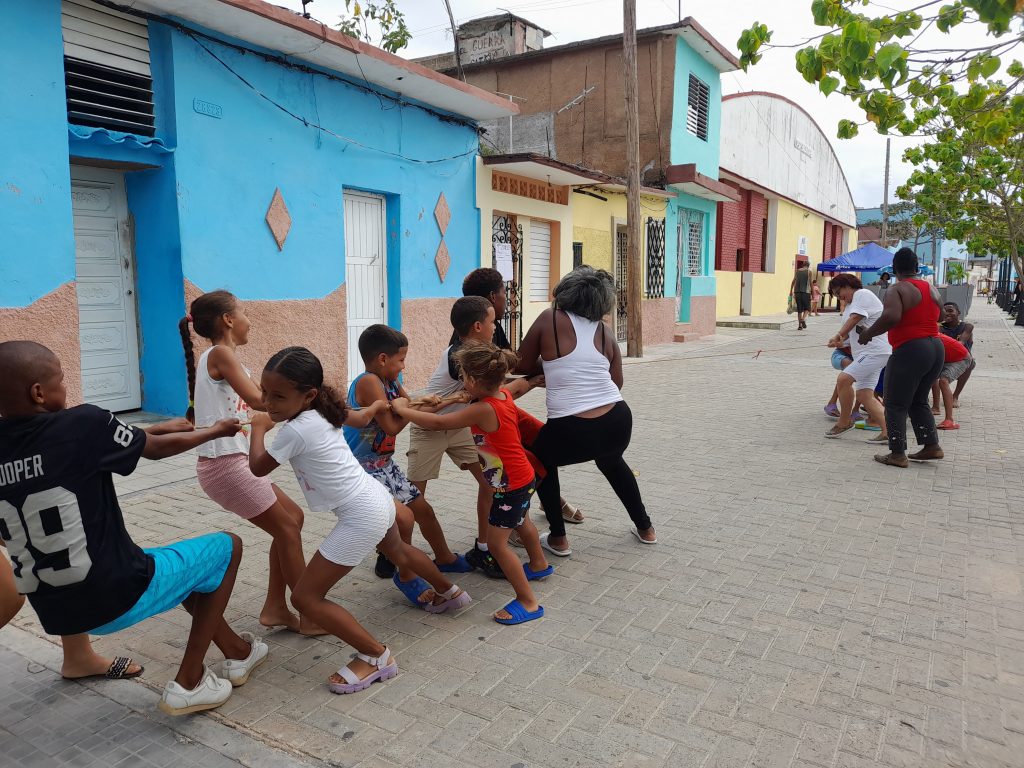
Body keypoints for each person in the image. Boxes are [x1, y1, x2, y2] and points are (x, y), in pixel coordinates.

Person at [0, 341, 268, 715]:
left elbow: (94, 447)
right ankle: (189, 682)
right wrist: (213, 431)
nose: (67, 387)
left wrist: (153, 429)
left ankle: (238, 650)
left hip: (55, 609)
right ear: (39, 392)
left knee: (181, 566)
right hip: (116, 595)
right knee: (228, 547)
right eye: (61, 379)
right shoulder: (83, 423)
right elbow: (153, 451)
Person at [247, 347, 470, 694]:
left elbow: (257, 468)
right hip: (374, 498)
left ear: (307, 395)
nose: (268, 402)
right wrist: (379, 406)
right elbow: (363, 417)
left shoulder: (295, 430)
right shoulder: (322, 409)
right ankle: (450, 592)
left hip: (362, 513)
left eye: (277, 396)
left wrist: (257, 430)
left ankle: (376, 657)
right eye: (264, 393)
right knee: (398, 551)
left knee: (306, 599)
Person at [180, 290, 321, 635]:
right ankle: (311, 612)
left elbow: (266, 407)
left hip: (234, 463)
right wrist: (304, 400)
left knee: (293, 519)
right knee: (286, 529)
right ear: (228, 320)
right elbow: (261, 401)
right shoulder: (220, 354)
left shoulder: (222, 358)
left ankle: (275, 606)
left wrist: (298, 407)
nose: (248, 320)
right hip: (225, 466)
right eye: (243, 312)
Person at [393, 342, 551, 625]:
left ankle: (528, 602)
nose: (463, 382)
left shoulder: (483, 410)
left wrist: (402, 409)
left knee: (496, 544)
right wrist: (455, 398)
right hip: (522, 477)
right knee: (522, 521)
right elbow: (489, 394)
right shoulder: (500, 395)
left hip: (508, 485)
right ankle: (539, 565)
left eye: (465, 376)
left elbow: (437, 424)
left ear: (476, 381)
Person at [515, 266, 656, 556]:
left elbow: (521, 365)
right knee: (612, 461)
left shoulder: (549, 319)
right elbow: (616, 382)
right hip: (617, 420)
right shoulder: (605, 332)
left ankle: (558, 538)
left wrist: (553, 368)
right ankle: (646, 529)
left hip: (571, 428)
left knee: (542, 460)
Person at [344, 325, 472, 590]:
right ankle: (405, 572)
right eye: (400, 359)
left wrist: (447, 401)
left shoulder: (391, 381)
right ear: (382, 358)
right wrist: (409, 409)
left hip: (385, 464)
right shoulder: (369, 381)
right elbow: (392, 425)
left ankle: (444, 557)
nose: (403, 366)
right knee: (402, 519)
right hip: (363, 469)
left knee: (423, 511)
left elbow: (412, 405)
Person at [458, 269, 585, 532]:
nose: (508, 299)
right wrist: (531, 381)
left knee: (545, 443)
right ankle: (509, 530)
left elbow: (509, 368)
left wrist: (558, 364)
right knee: (504, 475)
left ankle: (548, 504)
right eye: (505, 293)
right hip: (479, 418)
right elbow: (490, 385)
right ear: (493, 298)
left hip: (500, 406)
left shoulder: (491, 331)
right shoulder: (463, 350)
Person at [858, 248, 944, 467]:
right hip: (935, 348)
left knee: (895, 403)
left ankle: (897, 454)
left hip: (910, 349)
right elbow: (941, 315)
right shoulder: (931, 288)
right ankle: (931, 446)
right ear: (917, 268)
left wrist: (868, 333)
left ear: (894, 269)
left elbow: (891, 317)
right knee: (918, 399)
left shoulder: (897, 289)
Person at [824, 274, 890, 444]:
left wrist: (839, 335)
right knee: (865, 395)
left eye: (839, 292)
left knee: (844, 378)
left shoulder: (862, 294)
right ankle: (888, 432)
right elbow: (855, 331)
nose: (840, 297)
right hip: (867, 353)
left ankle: (844, 422)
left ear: (848, 285)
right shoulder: (851, 304)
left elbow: (855, 320)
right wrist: (840, 342)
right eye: (837, 296)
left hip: (874, 352)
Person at [931, 332, 973, 430]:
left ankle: (949, 420)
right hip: (946, 357)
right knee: (931, 376)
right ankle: (936, 408)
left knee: (943, 381)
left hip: (961, 359)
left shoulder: (931, 337)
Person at [937, 301, 975, 407]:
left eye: (950, 311)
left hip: (961, 360)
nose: (947, 313)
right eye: (944, 311)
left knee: (971, 363)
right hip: (944, 359)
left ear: (958, 312)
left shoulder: (967, 327)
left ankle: (955, 396)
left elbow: (961, 343)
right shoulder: (940, 327)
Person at [789, 260, 814, 330]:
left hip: (797, 292)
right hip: (806, 292)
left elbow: (793, 281)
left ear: (803, 265)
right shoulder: (809, 272)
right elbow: (811, 283)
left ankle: (799, 326)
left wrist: (791, 291)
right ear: (808, 265)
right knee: (807, 308)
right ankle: (803, 319)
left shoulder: (797, 271)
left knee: (799, 310)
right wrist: (813, 293)